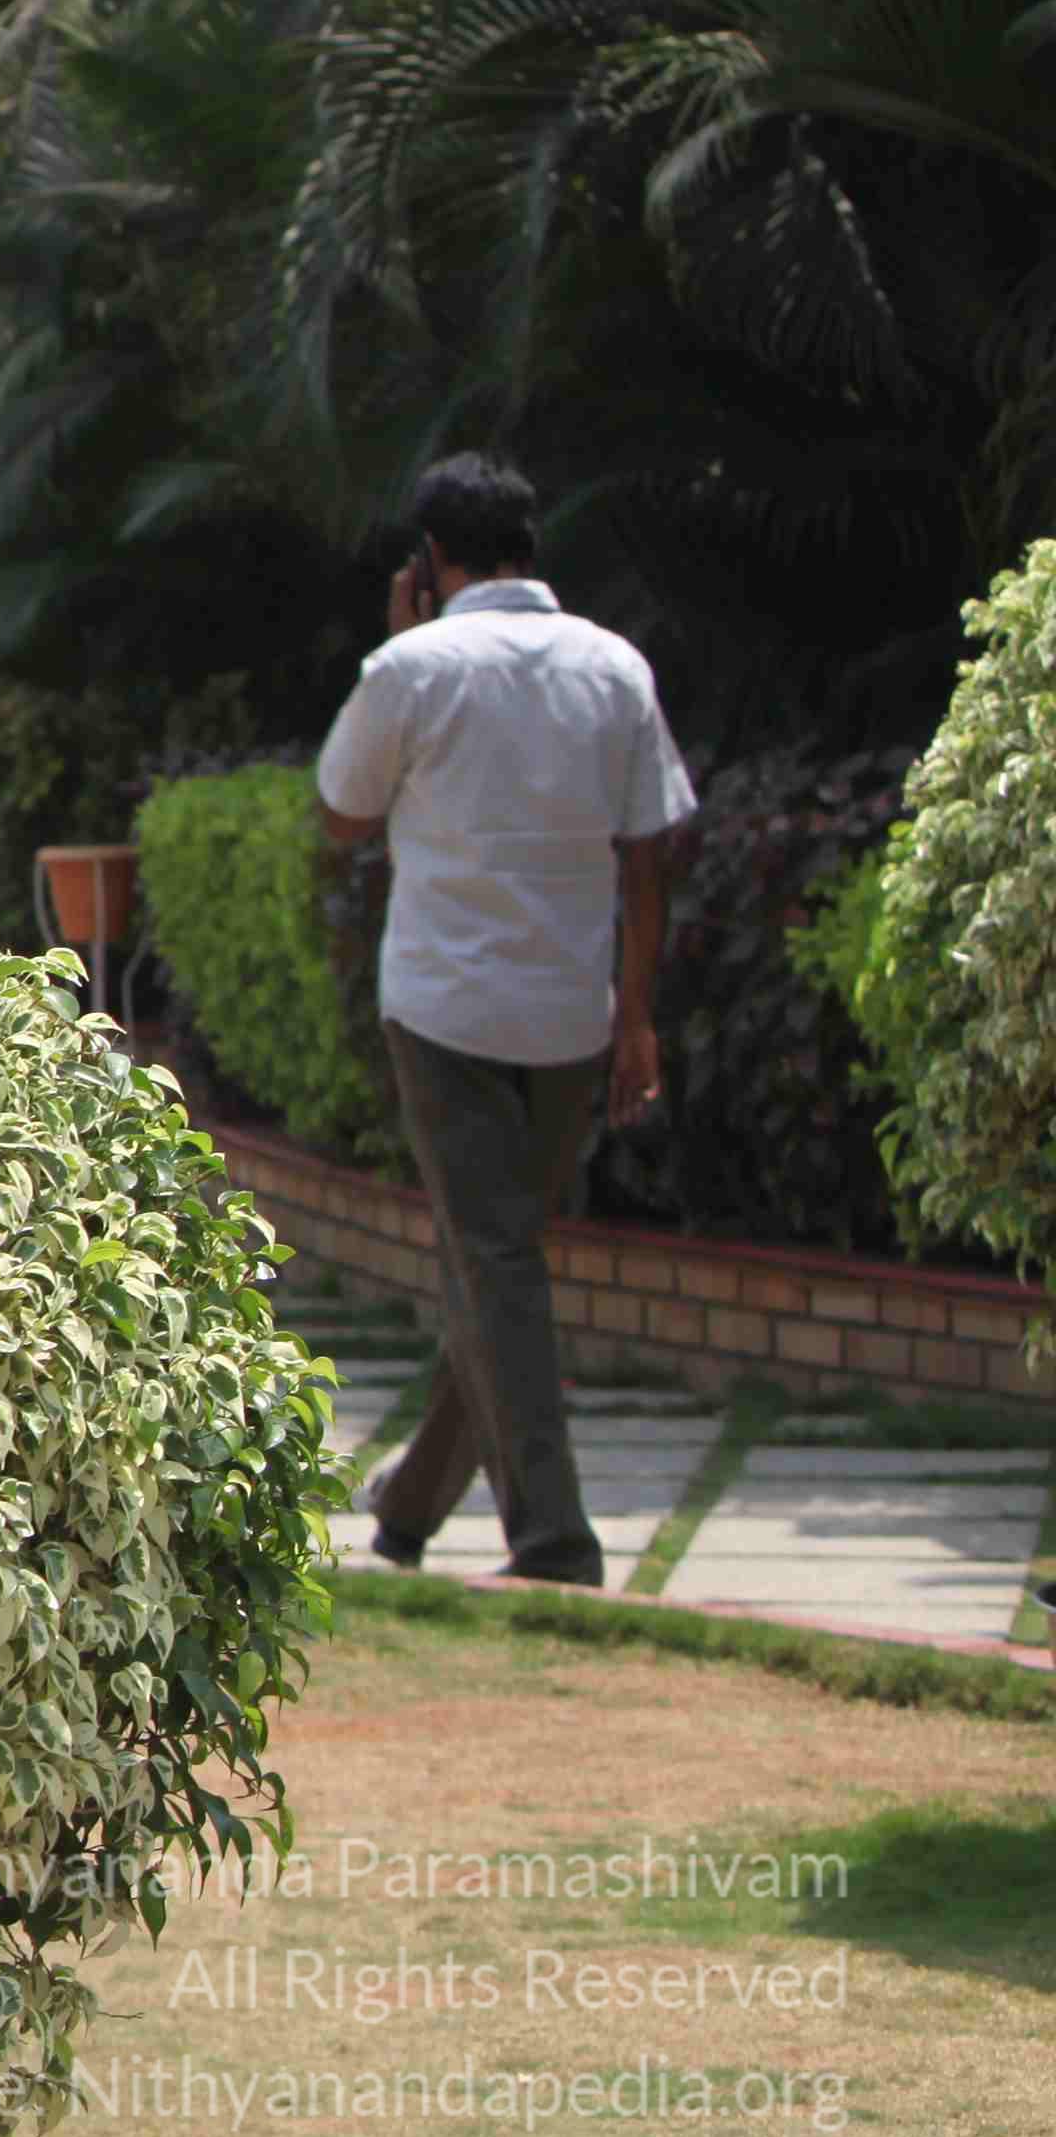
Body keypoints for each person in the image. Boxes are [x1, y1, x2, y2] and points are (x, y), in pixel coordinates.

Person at [314, 454, 694, 1588]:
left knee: (494, 1268)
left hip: (443, 1013)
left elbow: (340, 816)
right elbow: (652, 853)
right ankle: (409, 1512)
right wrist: (638, 1019)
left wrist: (398, 644)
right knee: (502, 1268)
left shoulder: (412, 668)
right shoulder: (613, 666)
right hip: (573, 1018)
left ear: (431, 561)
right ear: (530, 546)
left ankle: (555, 1544)